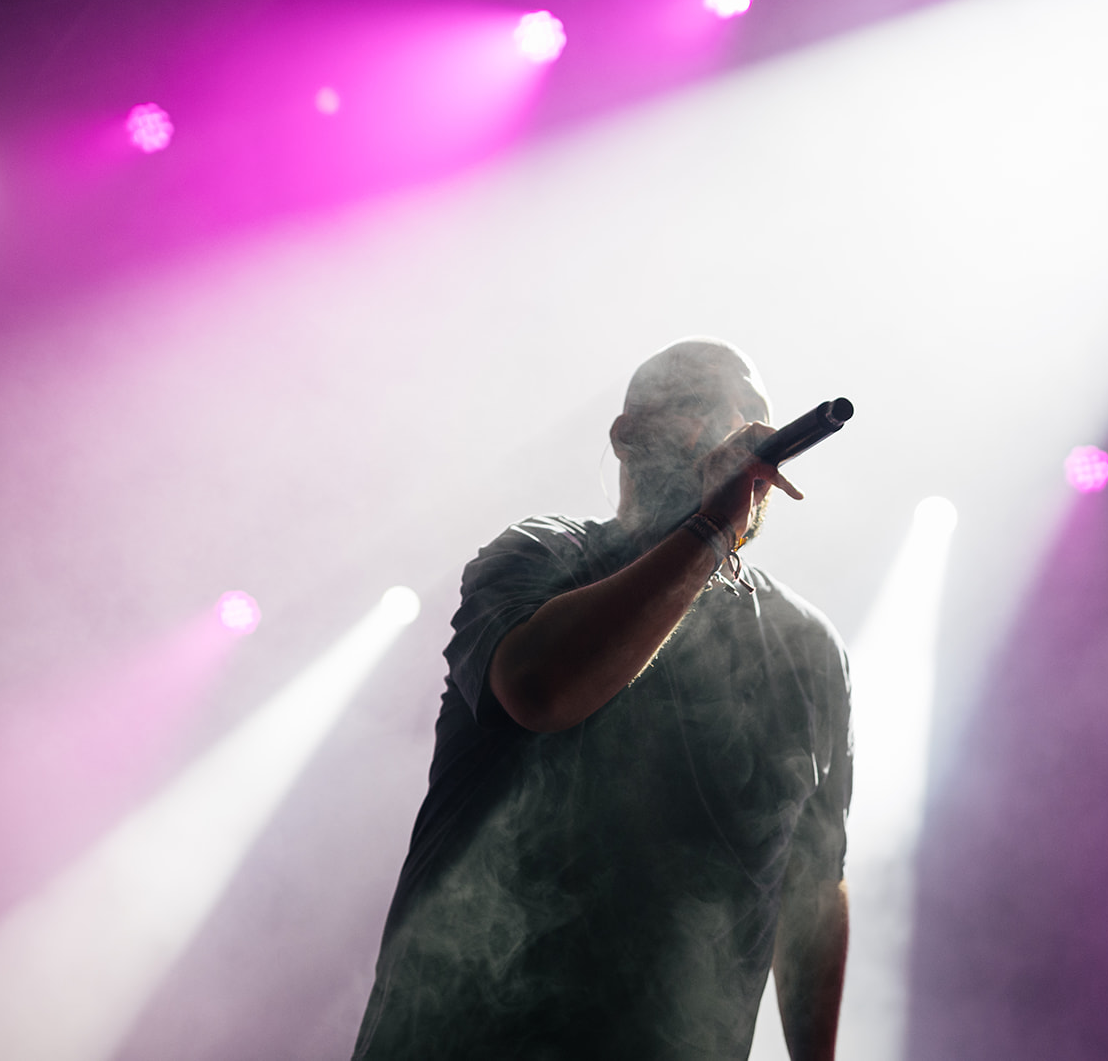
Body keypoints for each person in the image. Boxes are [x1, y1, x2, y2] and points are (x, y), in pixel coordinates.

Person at [352, 338, 852, 1061]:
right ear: (628, 434)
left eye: (756, 411)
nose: (744, 426)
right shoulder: (539, 556)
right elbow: (541, 691)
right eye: (709, 404)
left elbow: (814, 883)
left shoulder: (807, 644)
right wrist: (711, 530)